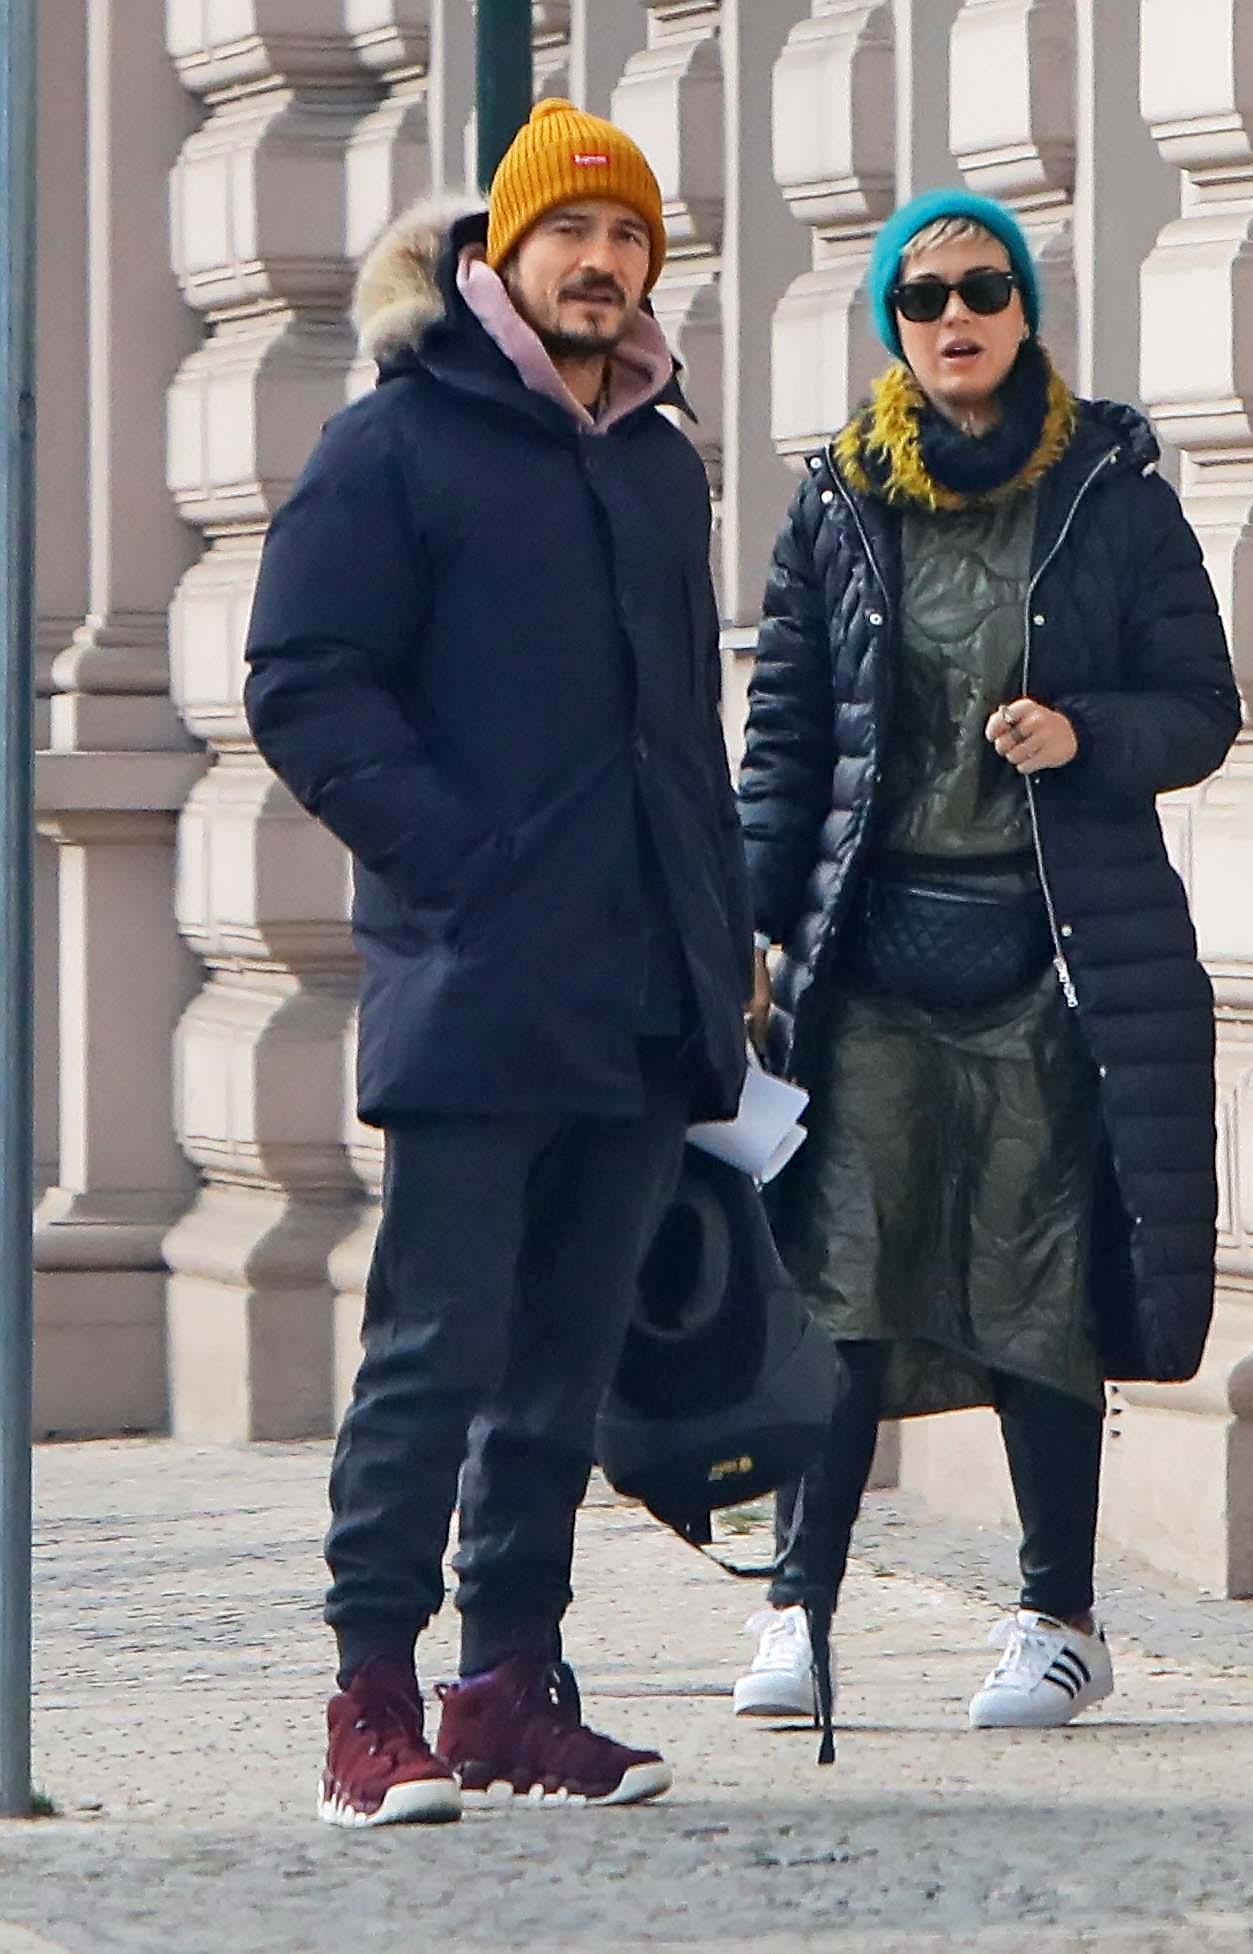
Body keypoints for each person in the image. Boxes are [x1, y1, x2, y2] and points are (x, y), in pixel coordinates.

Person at [244, 99, 750, 1827]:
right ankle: (369, 1699)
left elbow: (685, 731)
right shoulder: (395, 445)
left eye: (627, 239)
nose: (599, 263)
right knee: (434, 1353)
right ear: (503, 256)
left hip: (641, 992)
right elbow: (302, 678)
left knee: (560, 1372)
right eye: (568, 236)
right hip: (475, 983)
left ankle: (506, 1688)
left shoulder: (659, 462)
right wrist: (460, 866)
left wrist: (722, 939)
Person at [734, 188, 1240, 1731]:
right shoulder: (837, 502)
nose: (953, 318)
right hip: (871, 962)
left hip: (1048, 957)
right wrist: (749, 921)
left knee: (1039, 1292)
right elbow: (786, 736)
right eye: (923, 296)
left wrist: (1085, 734)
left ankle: (1057, 1619)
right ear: (892, 325)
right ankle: (797, 1606)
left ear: (1023, 310)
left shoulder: (1107, 493)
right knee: (838, 1283)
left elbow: (1202, 705)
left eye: (981, 290)